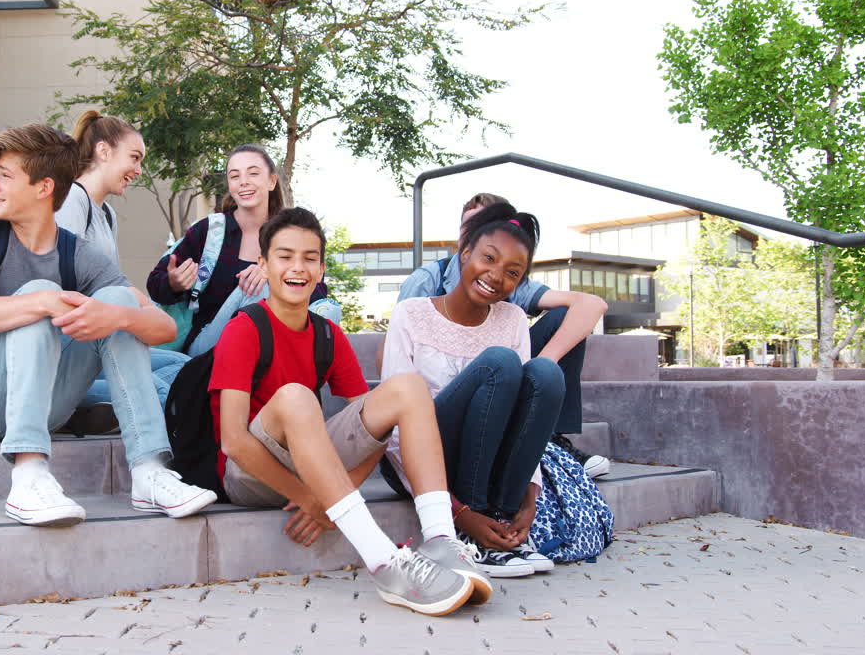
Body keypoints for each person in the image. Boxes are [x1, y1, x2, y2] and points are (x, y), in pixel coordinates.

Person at [0, 123, 216, 526]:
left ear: (44, 188)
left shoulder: (79, 255)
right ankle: (28, 474)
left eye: (4, 176)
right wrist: (44, 299)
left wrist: (117, 315)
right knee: (42, 292)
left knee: (116, 301)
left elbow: (162, 329)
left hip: (43, 405)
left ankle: (149, 470)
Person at [209, 206, 491, 616]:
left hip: (312, 466)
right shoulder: (244, 329)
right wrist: (309, 497)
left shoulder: (328, 334)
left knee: (407, 387)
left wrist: (338, 493)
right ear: (263, 264)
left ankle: (441, 542)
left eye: (309, 258)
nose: (297, 267)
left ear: (322, 269)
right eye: (285, 256)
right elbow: (233, 442)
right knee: (296, 396)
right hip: (251, 475)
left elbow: (373, 429)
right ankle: (383, 562)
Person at [381, 203, 563, 577]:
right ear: (464, 253)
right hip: (421, 457)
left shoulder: (512, 318)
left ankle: (504, 526)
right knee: (499, 363)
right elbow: (394, 431)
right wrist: (461, 514)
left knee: (545, 373)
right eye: (488, 259)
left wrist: (530, 499)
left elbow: (522, 412)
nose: (496, 276)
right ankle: (478, 536)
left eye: (512, 272)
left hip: (485, 456)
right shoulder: (411, 314)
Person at [395, 193, 611, 477]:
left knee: (559, 321)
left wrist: (539, 368)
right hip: (448, 398)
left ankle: (549, 438)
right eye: (468, 226)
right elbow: (392, 352)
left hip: (507, 380)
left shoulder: (508, 280)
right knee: (496, 362)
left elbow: (592, 305)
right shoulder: (427, 282)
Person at [57, 111, 188, 415]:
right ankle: (73, 407)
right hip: (73, 349)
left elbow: (112, 281)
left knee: (184, 368)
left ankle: (95, 408)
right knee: (162, 392)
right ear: (103, 151)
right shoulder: (71, 200)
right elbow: (63, 281)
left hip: (105, 339)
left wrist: (152, 317)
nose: (139, 170)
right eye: (134, 157)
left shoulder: (107, 214)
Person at [146, 145, 335, 356]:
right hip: (210, 349)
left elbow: (316, 293)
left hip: (274, 346)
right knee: (258, 288)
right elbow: (155, 284)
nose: (243, 181)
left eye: (253, 173)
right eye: (234, 176)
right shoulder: (210, 231)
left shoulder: (294, 234)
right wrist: (173, 283)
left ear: (272, 181)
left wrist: (272, 275)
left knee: (329, 311)